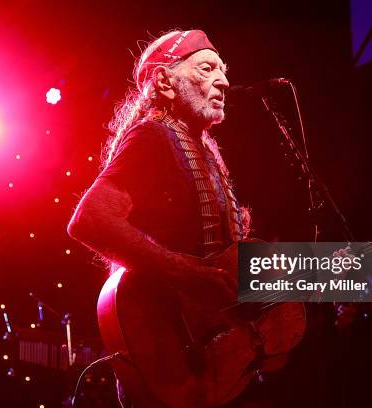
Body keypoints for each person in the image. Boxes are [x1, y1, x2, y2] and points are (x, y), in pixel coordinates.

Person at [67, 29, 253, 406]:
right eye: (206, 68)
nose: (224, 80)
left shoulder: (203, 151)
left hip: (208, 352)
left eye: (223, 69)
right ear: (165, 82)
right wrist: (183, 271)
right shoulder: (153, 137)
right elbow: (89, 220)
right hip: (170, 352)